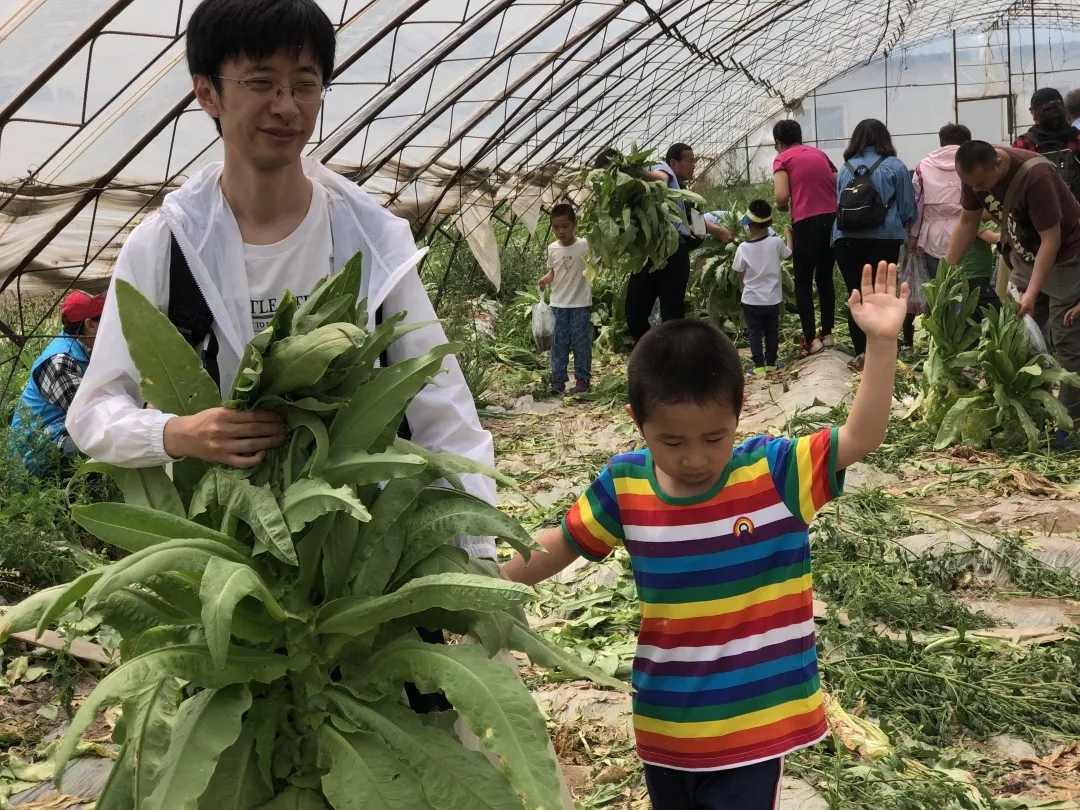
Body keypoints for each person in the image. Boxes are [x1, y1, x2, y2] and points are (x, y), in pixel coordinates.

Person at [68, 0, 495, 564]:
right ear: (207, 92)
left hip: (364, 553)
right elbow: (95, 411)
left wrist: (476, 549)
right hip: (223, 550)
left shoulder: (366, 237)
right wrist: (179, 433)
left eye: (306, 85)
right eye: (262, 82)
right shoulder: (166, 246)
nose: (287, 106)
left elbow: (441, 404)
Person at [500, 262, 908, 810]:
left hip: (752, 727)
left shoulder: (774, 474)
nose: (695, 458)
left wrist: (881, 345)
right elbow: (566, 542)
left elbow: (861, 436)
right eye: (671, 442)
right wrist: (487, 584)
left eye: (715, 437)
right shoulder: (625, 484)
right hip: (666, 725)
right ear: (637, 422)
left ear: (741, 413)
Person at [944, 140, 1080, 443]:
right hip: (1024, 256)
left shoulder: (1036, 176)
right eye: (971, 185)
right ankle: (1032, 416)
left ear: (999, 165)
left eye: (981, 183)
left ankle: (1069, 427)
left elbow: (1051, 240)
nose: (977, 189)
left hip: (1065, 259)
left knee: (1067, 342)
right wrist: (944, 275)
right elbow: (967, 222)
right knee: (1019, 340)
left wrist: (1031, 292)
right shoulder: (974, 176)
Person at [624, 143, 732, 342]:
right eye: (689, 161)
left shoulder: (680, 189)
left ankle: (673, 360)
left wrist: (718, 231)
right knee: (635, 313)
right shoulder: (663, 169)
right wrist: (636, 172)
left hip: (673, 251)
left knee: (671, 314)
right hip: (651, 250)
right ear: (673, 162)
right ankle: (653, 353)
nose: (693, 165)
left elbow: (692, 218)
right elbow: (661, 180)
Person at [833, 119, 917, 366]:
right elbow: (908, 210)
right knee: (882, 295)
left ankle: (862, 355)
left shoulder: (845, 167)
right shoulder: (895, 167)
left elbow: (839, 204)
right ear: (885, 139)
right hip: (884, 240)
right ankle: (883, 355)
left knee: (856, 295)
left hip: (846, 240)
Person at [8, 291, 105, 474]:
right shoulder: (60, 363)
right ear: (90, 325)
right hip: (33, 453)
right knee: (104, 437)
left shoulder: (81, 343)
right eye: (106, 320)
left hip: (56, 427)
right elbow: (91, 415)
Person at [772, 119, 839, 358]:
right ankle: (828, 333)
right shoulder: (819, 154)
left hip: (806, 222)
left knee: (802, 281)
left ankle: (811, 339)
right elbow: (835, 179)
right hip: (832, 220)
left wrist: (782, 206)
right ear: (800, 136)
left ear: (778, 142)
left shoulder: (782, 158)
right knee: (824, 277)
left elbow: (781, 196)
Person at [732, 200, 792, 375]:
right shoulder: (776, 243)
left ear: (749, 225)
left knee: (754, 332)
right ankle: (772, 363)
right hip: (772, 299)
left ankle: (758, 367)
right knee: (772, 330)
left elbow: (739, 273)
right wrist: (789, 234)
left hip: (751, 299)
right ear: (770, 223)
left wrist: (743, 289)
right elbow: (789, 255)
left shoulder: (743, 248)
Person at [539, 203, 592, 395]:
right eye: (556, 227)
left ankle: (582, 379)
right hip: (558, 304)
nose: (561, 231)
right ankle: (558, 380)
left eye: (565, 226)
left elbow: (597, 262)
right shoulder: (552, 248)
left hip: (580, 303)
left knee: (581, 343)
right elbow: (553, 270)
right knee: (558, 343)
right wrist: (546, 279)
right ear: (552, 227)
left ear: (574, 224)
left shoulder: (585, 245)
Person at [1013, 88, 1080, 200]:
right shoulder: (1077, 138)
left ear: (1034, 115)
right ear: (1064, 112)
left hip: (1040, 211)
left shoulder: (1023, 143)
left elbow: (1014, 180)